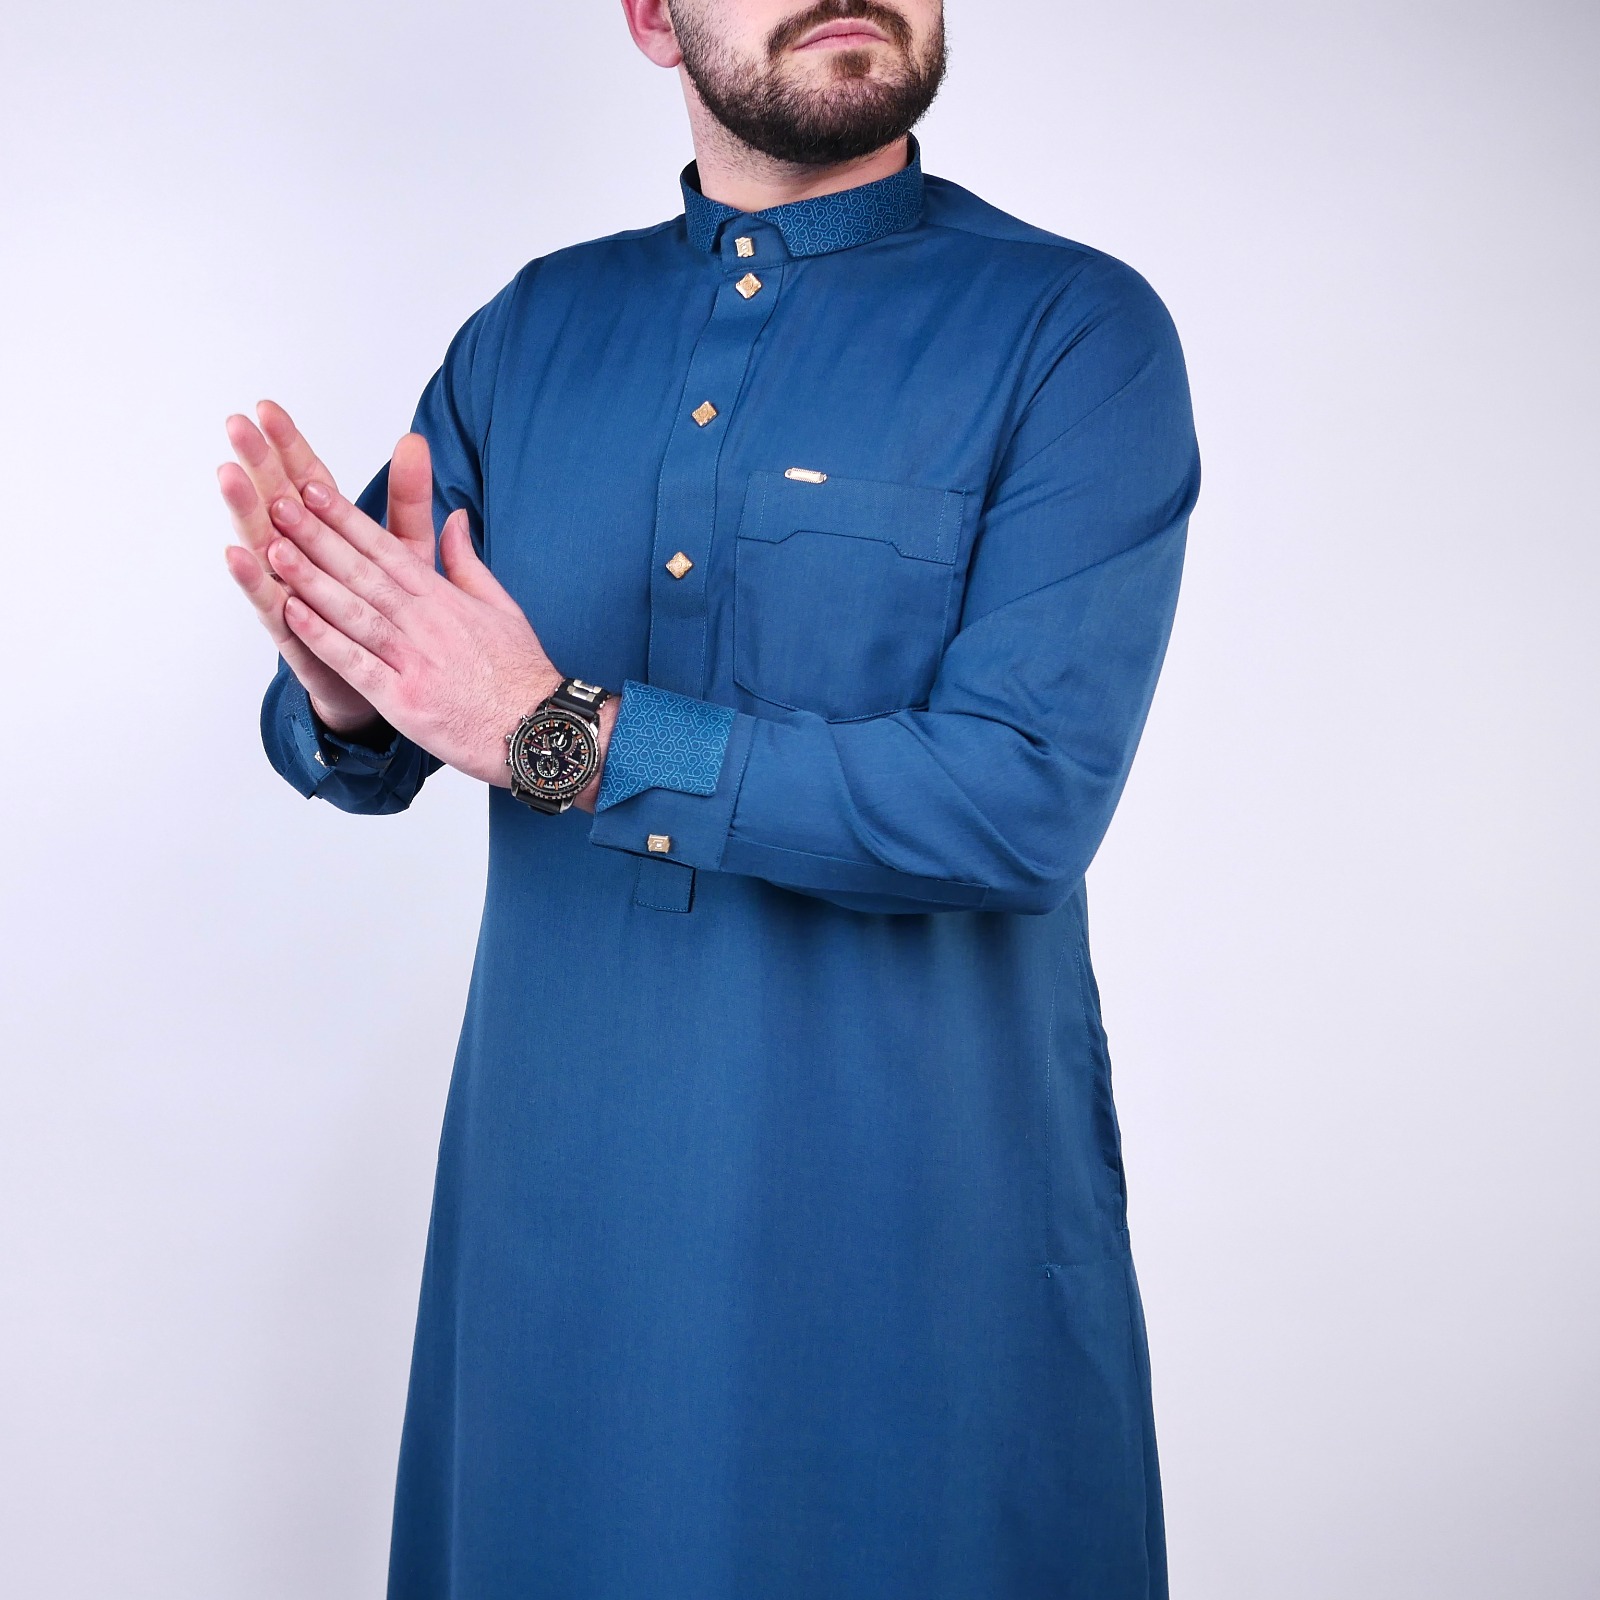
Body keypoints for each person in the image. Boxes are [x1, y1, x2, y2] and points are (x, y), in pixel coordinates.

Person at [220, 1, 1201, 1594]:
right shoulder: (531, 336)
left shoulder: (1071, 334)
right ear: (650, 15)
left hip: (911, 1252)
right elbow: (380, 735)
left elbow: (1021, 800)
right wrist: (347, 684)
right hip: (561, 1251)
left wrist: (559, 730)